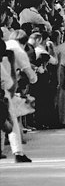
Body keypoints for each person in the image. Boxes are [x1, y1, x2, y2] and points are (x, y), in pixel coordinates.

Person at [1, 30, 37, 162]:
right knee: (11, 120)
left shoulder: (6, 44)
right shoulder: (17, 52)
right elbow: (29, 77)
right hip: (4, 90)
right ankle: (18, 152)